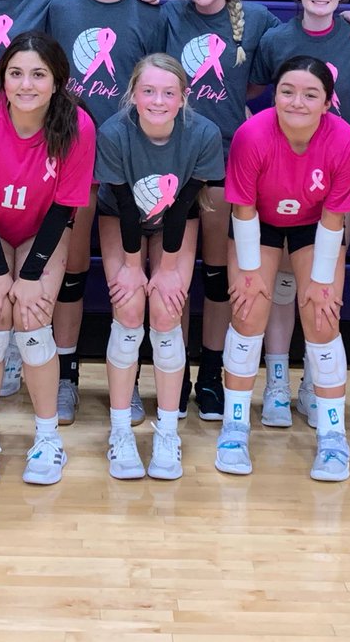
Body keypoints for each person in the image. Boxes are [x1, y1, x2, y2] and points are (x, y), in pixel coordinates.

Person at [0, 32, 97, 486]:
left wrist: (30, 277)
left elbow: (64, 208)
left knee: (33, 322)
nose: (26, 84)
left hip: (42, 229)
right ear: (1, 78)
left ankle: (48, 437)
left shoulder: (77, 125)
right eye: (15, 73)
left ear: (58, 81)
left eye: (38, 74)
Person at [221, 56, 350, 479]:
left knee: (322, 318)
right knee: (248, 313)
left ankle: (334, 438)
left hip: (315, 226)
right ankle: (234, 426)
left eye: (310, 94)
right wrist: (249, 274)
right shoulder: (252, 135)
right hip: (258, 224)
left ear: (327, 102)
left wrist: (321, 281)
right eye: (287, 91)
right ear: (275, 93)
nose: (296, 101)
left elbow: (335, 219)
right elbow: (243, 208)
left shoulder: (344, 140)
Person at [45, 0, 163, 426]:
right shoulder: (62, 7)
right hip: (71, 150)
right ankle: (66, 378)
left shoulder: (150, 10)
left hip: (128, 157)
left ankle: (128, 381)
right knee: (71, 272)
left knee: (126, 277)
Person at [251, 0, 350, 431]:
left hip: (338, 173)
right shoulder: (277, 39)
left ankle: (314, 377)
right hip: (284, 171)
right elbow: (256, 92)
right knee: (282, 280)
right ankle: (278, 377)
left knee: (323, 282)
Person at [161, 0, 279, 420]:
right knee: (172, 277)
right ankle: (172, 372)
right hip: (167, 158)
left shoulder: (260, 21)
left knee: (215, 276)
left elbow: (258, 78)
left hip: (224, 159)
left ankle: (210, 373)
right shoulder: (168, 15)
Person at [95, 54, 224, 480]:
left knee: (168, 313)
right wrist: (133, 267)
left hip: (176, 219)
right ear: (133, 94)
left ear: (184, 97)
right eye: (148, 91)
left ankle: (168, 431)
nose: (157, 100)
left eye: (169, 93)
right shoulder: (114, 132)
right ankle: (120, 432)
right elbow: (127, 206)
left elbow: (185, 202)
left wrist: (167, 268)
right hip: (121, 216)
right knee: (130, 309)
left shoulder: (203, 133)